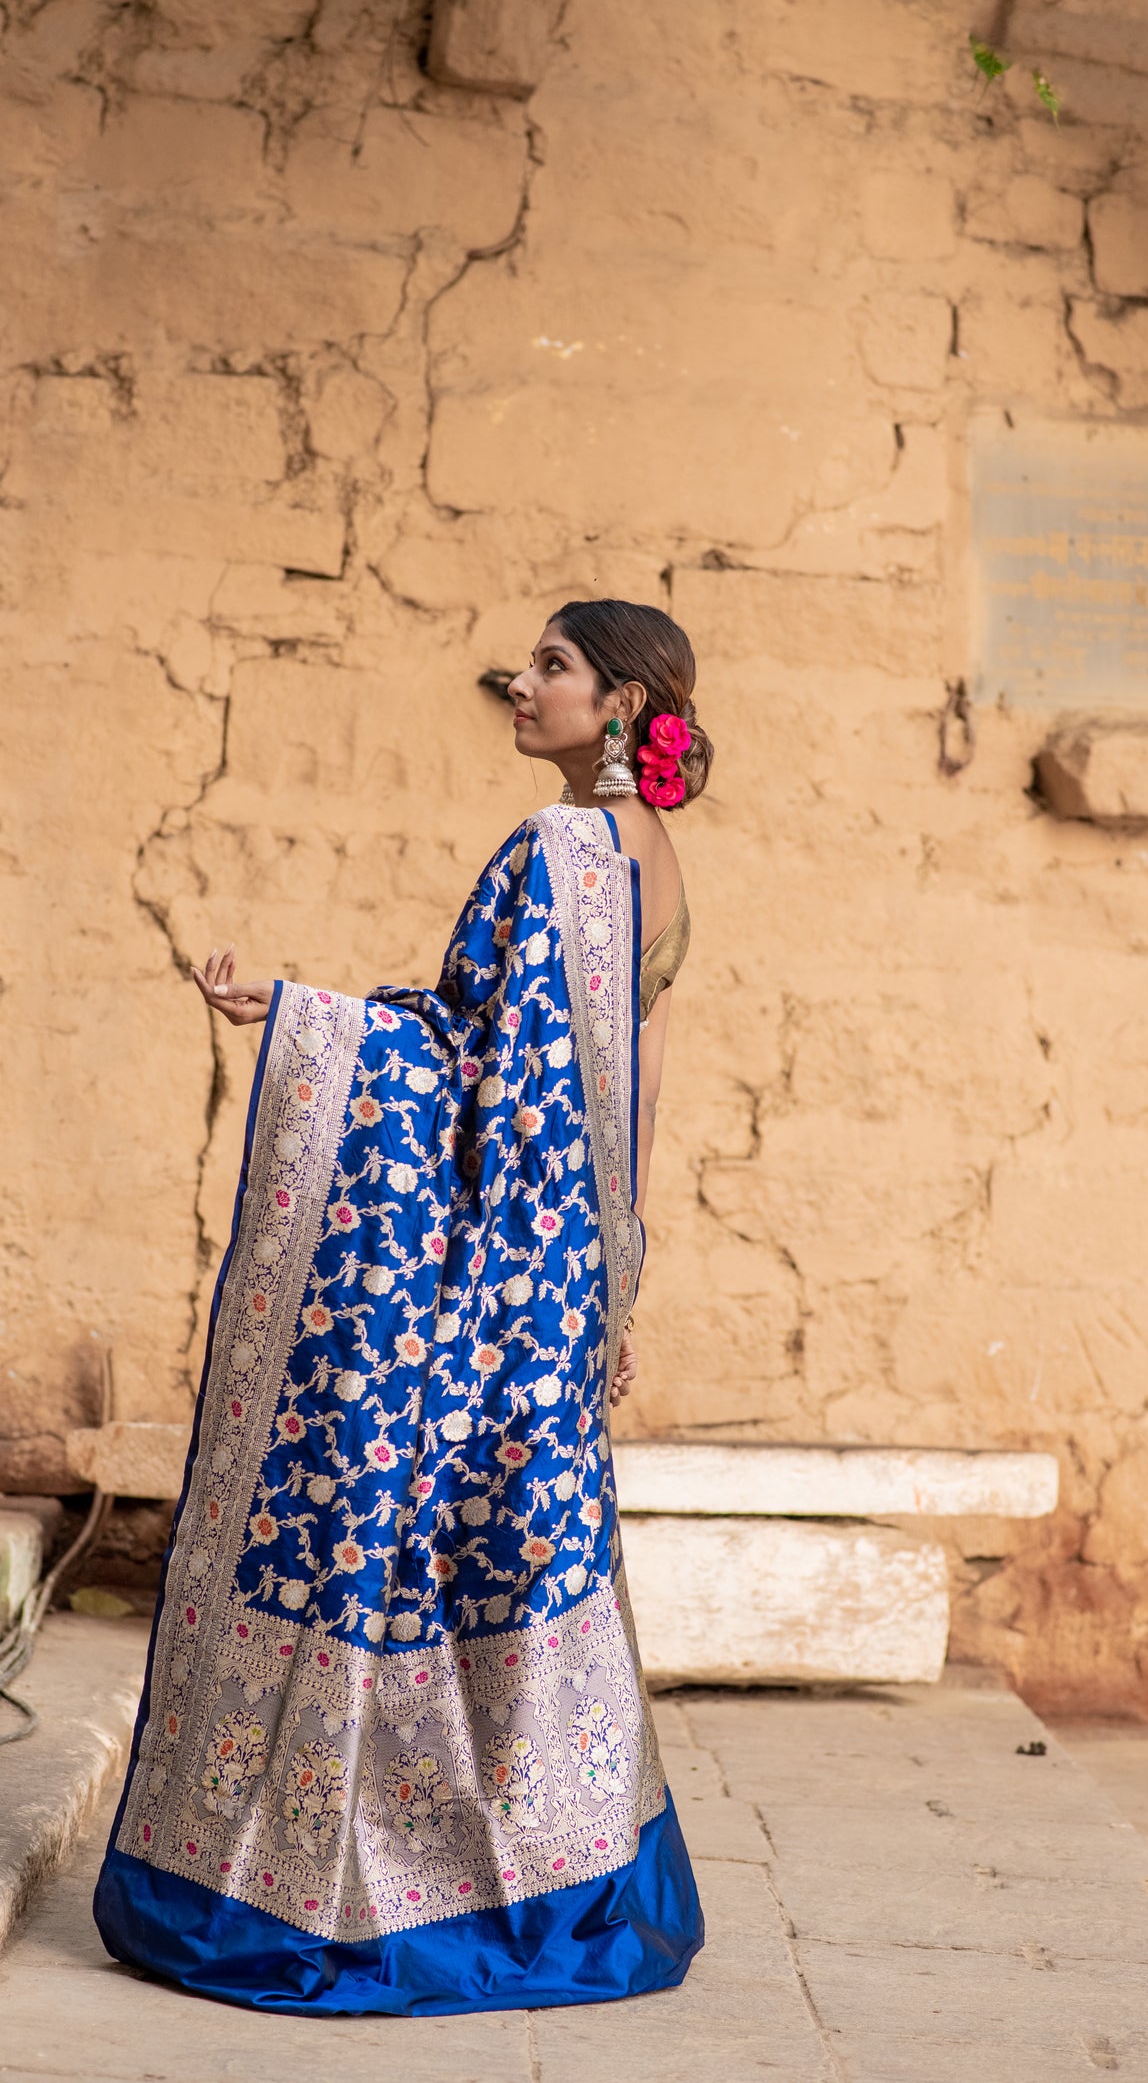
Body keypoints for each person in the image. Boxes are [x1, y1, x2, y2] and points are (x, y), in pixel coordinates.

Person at [93, 598, 710, 2015]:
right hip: (558, 1271)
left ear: (621, 705)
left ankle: (372, 1892)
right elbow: (632, 1092)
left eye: (552, 664)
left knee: (411, 1542)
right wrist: (615, 1279)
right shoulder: (658, 860)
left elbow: (465, 1049)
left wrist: (302, 1017)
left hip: (489, 1273)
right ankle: (565, 1878)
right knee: (519, 1556)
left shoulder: (560, 847)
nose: (521, 679)